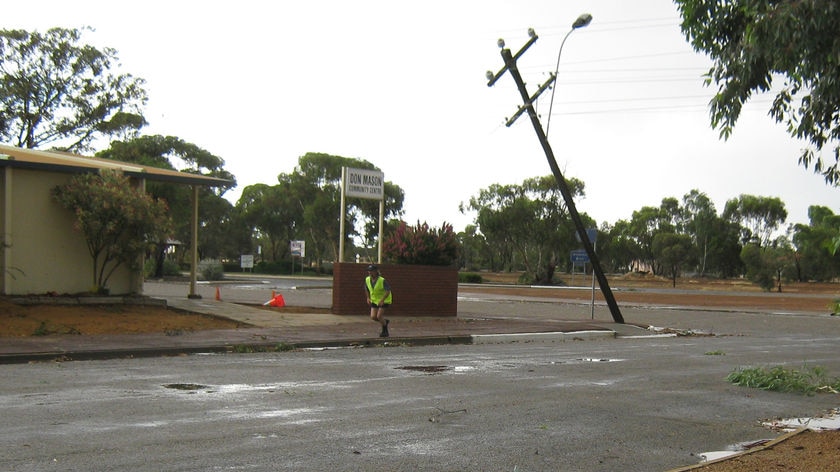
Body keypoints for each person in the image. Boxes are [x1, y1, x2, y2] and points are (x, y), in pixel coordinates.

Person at [364, 264, 392, 337]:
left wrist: (382, 300)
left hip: (384, 300)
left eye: (371, 271)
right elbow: (366, 289)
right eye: (369, 271)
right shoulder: (367, 279)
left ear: (376, 271)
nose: (370, 273)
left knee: (379, 316)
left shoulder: (382, 280)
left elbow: (388, 290)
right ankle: (385, 322)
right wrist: (368, 298)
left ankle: (385, 331)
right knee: (373, 317)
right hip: (374, 300)